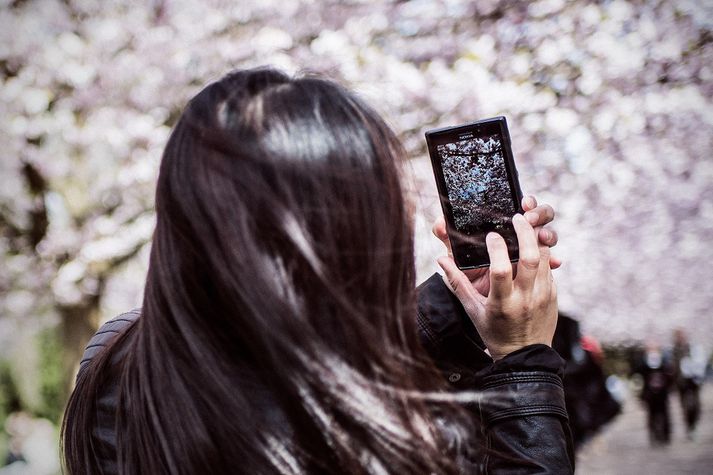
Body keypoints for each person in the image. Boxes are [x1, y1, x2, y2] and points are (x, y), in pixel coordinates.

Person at [61, 68, 572, 474]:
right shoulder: (377, 447)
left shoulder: (114, 361)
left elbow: (283, 353)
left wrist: (455, 304)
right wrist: (523, 363)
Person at [672, 329, 706, 440]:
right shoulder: (674, 350)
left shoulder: (692, 348)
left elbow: (699, 362)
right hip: (682, 383)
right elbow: (673, 368)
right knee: (686, 407)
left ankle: (693, 426)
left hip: (694, 382)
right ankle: (689, 427)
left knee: (696, 406)